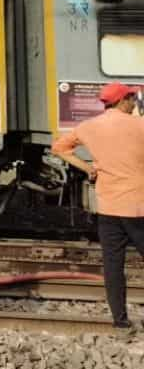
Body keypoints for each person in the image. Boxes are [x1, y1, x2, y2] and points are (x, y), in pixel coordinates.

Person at [52, 81, 144, 331]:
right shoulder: (140, 125)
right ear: (123, 100)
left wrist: (88, 169)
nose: (135, 101)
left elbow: (59, 148)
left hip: (109, 210)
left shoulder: (89, 127)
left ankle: (120, 323)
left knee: (113, 266)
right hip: (138, 208)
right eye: (132, 97)